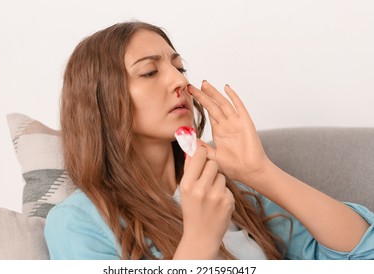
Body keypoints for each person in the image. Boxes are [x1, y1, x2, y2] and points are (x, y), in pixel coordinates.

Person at [44, 21, 374, 260]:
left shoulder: (233, 188)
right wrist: (200, 240)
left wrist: (261, 172)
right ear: (99, 102)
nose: (179, 82)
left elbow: (362, 252)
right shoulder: (78, 222)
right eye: (149, 72)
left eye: (180, 67)